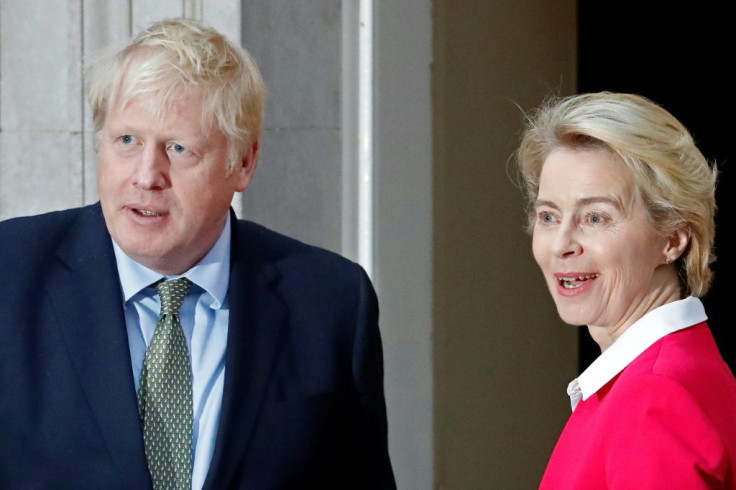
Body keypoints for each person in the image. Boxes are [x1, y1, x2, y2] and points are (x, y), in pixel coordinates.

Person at [0, 17, 396, 489]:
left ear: (244, 162)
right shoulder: (11, 274)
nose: (147, 175)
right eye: (127, 141)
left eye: (179, 148)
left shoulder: (330, 303)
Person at [514, 91, 736, 488]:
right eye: (548, 215)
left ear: (673, 238)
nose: (562, 243)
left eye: (596, 217)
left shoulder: (653, 398)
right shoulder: (673, 369)